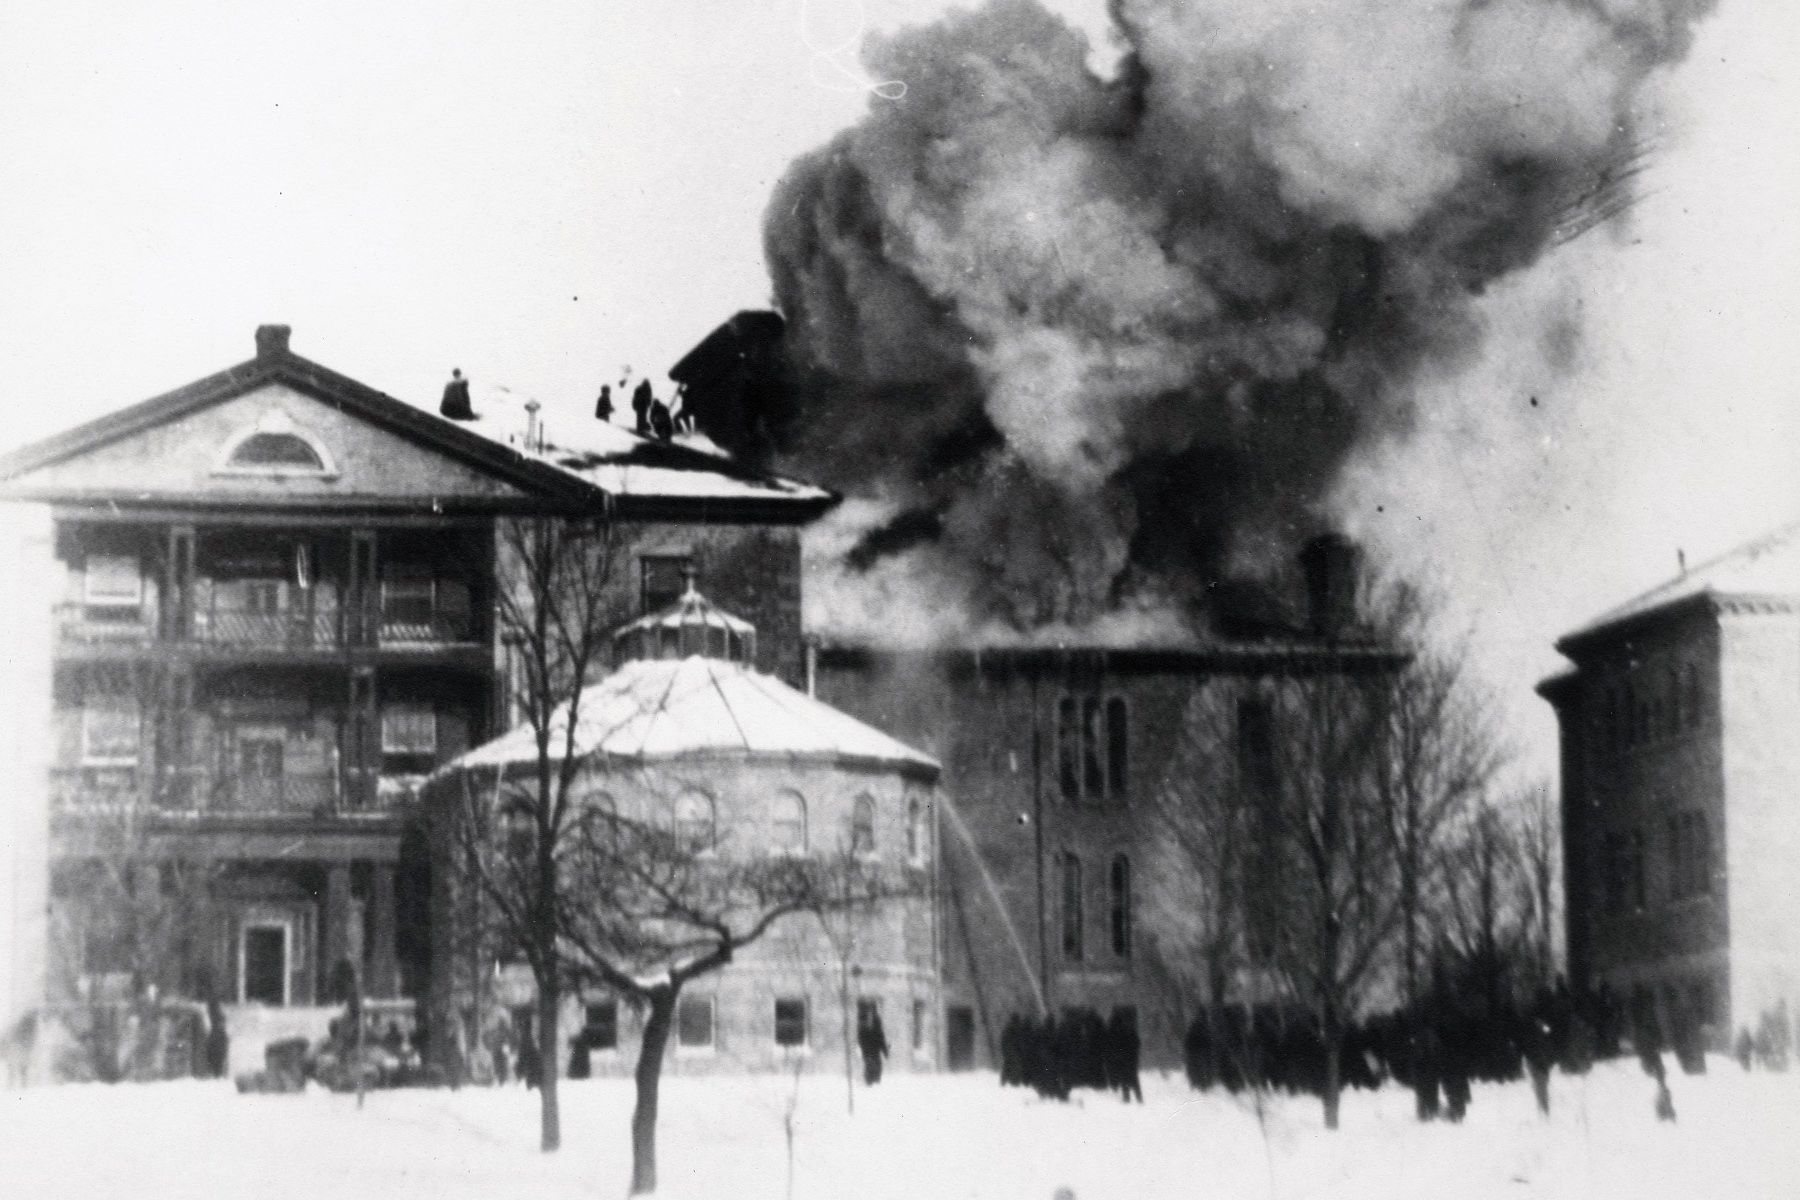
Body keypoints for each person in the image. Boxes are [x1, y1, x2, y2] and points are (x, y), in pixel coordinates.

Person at [858, 1007, 889, 1085]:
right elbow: (881, 1041)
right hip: (872, 1051)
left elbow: (881, 1040)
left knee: (872, 1066)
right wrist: (885, 1051)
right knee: (874, 1066)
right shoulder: (872, 1029)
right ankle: (872, 1081)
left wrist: (885, 1051)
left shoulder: (865, 1029)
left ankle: (871, 1081)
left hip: (870, 1051)